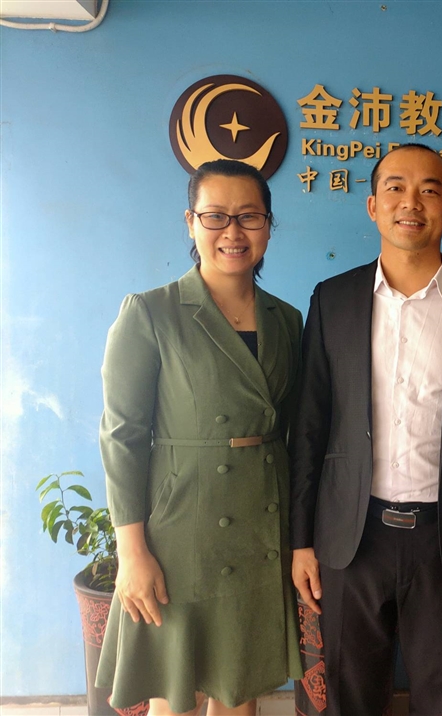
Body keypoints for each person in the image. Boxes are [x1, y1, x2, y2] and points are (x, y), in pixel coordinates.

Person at [288, 143, 442, 716]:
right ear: (373, 206)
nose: (410, 203)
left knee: (440, 696)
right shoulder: (333, 299)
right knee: (349, 695)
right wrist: (300, 541)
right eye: (394, 188)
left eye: (429, 190)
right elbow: (310, 426)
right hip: (350, 537)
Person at [96, 159, 304, 715]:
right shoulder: (151, 311)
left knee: (239, 686)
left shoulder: (287, 320)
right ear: (191, 222)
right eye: (216, 216)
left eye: (249, 216)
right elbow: (122, 436)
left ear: (268, 225)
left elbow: (296, 430)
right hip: (180, 529)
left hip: (260, 522)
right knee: (176, 689)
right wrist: (131, 551)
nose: (233, 232)